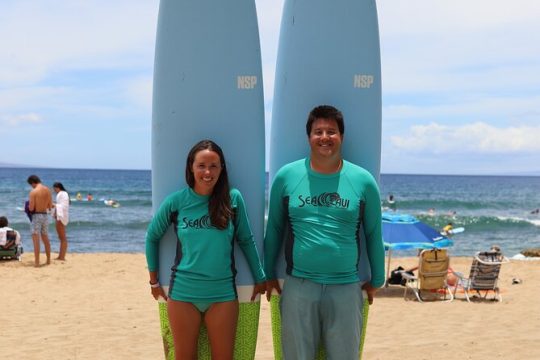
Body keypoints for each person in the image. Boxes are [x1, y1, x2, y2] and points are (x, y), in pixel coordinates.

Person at [264, 105, 385, 359]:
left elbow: (373, 232)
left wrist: (377, 279)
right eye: (318, 131)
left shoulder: (362, 181)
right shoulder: (287, 176)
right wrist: (267, 273)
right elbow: (274, 227)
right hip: (299, 285)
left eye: (331, 131)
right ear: (309, 137)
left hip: (346, 288)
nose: (325, 137)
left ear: (341, 136)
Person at [145, 140, 266, 359]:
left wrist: (260, 277)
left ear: (222, 169)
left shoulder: (232, 199)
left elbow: (246, 240)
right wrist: (153, 280)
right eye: (201, 165)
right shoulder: (177, 201)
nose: (207, 172)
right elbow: (152, 237)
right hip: (183, 293)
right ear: (191, 167)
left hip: (222, 294)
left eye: (214, 166)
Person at [27, 175, 53, 267]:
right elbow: (50, 206)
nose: (32, 186)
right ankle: (48, 260)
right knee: (45, 238)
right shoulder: (48, 190)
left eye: (31, 184)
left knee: (36, 239)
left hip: (37, 215)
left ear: (33, 182)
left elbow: (31, 208)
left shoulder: (33, 192)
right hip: (45, 216)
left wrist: (27, 207)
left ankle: (37, 262)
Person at [53, 182, 70, 260]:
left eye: (55, 188)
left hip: (61, 217)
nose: (54, 190)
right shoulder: (62, 194)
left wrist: (53, 205)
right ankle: (60, 256)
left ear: (58, 188)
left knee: (63, 237)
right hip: (59, 216)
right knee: (61, 237)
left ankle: (62, 256)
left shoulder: (63, 194)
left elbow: (63, 206)